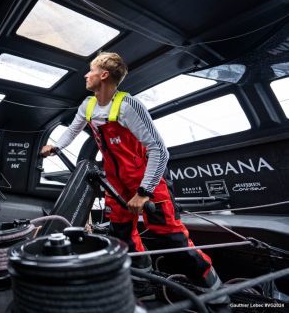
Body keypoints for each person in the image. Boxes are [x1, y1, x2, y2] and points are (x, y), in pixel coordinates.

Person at [40, 52, 227, 303]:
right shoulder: (87, 105)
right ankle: (144, 282)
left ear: (103, 75)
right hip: (115, 181)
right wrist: (57, 147)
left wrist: (144, 191)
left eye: (90, 70)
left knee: (170, 235)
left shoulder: (129, 106)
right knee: (122, 234)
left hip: (146, 179)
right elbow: (73, 129)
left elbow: (159, 150)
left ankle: (216, 293)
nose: (86, 75)